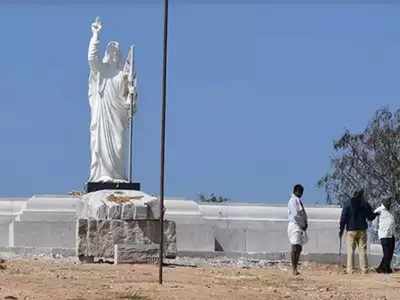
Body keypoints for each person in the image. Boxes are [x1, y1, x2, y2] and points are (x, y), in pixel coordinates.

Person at [87, 17, 137, 183]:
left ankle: (118, 175)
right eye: (111, 51)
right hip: (104, 114)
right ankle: (104, 174)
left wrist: (132, 93)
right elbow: (92, 59)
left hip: (118, 115)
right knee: (103, 145)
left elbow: (129, 98)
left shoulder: (123, 75)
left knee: (119, 145)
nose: (114, 54)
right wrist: (96, 36)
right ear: (108, 54)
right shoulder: (101, 70)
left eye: (117, 52)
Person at [339, 190, 377, 274]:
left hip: (351, 230)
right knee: (362, 250)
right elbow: (370, 217)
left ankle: (350, 270)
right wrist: (375, 214)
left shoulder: (347, 203)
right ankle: (364, 269)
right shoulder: (364, 204)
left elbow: (343, 218)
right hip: (362, 230)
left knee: (350, 250)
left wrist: (341, 230)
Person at [287, 184, 308, 276]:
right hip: (295, 225)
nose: (301, 194)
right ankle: (294, 268)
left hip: (300, 226)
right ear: (296, 191)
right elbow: (296, 215)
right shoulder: (293, 201)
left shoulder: (298, 201)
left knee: (299, 247)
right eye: (300, 192)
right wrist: (302, 224)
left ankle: (296, 267)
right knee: (295, 247)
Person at [374, 197, 395, 274]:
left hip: (391, 234)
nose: (389, 204)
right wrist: (377, 229)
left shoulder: (390, 210)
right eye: (388, 202)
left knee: (390, 253)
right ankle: (386, 269)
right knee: (386, 253)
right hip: (384, 234)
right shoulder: (379, 210)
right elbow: (374, 219)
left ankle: (380, 268)